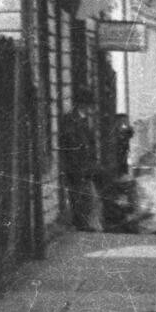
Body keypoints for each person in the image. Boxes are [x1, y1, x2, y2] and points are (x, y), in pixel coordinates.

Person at [59, 99, 101, 231]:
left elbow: (90, 142)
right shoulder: (71, 120)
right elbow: (71, 143)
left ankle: (83, 223)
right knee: (79, 195)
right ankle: (81, 224)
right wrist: (77, 165)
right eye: (90, 105)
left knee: (88, 196)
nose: (92, 109)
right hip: (75, 165)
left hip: (84, 165)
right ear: (84, 104)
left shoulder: (84, 119)